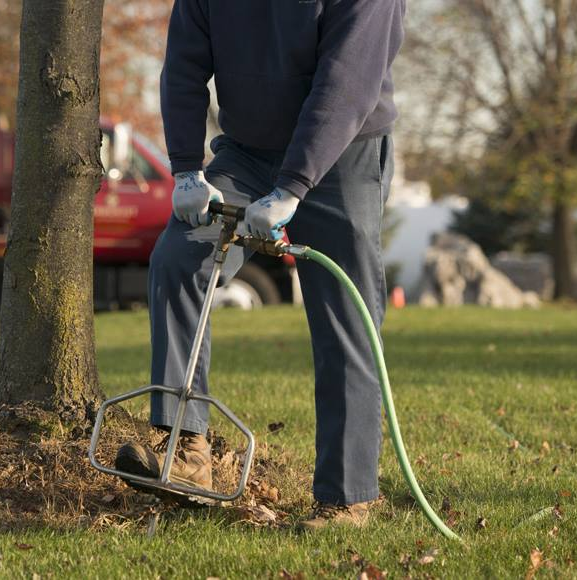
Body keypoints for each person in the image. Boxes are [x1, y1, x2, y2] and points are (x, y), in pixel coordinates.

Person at [116, 0, 406, 531]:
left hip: (342, 153)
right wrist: (184, 168)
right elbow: (183, 64)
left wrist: (294, 185)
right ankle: (188, 448)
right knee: (180, 259)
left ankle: (347, 497)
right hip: (247, 156)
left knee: (347, 314)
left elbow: (347, 82)